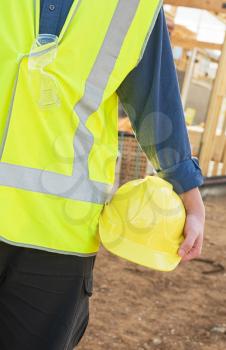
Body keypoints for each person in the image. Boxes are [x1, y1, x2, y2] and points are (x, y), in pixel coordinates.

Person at [0, 1, 205, 349]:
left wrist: (190, 193)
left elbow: (155, 99)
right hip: (61, 234)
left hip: (58, 241)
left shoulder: (134, 6)